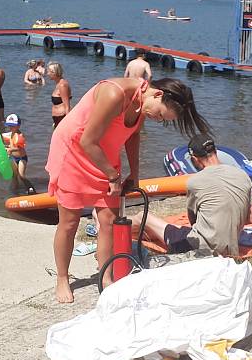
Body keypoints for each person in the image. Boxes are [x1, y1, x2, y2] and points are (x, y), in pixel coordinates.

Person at [45, 76, 210, 303]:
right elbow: (87, 140)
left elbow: (132, 136)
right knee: (69, 222)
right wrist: (113, 175)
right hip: (74, 149)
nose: (157, 119)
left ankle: (106, 277)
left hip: (103, 154)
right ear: (157, 94)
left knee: (109, 221)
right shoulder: (115, 94)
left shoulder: (142, 101)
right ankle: (62, 278)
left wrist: (135, 173)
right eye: (161, 114)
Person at [132, 134, 252, 256]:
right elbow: (251, 219)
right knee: (165, 229)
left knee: (142, 217)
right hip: (231, 249)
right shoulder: (243, 175)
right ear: (216, 151)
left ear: (195, 159)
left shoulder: (195, 182)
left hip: (199, 249)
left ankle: (117, 229)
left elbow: (193, 222)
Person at [3, 113, 33, 192]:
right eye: (9, 126)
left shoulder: (20, 136)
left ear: (18, 125)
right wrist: (7, 147)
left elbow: (19, 148)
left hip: (21, 158)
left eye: (13, 126)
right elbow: (10, 143)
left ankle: (31, 189)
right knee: (14, 176)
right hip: (14, 158)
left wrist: (10, 149)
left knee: (21, 175)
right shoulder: (12, 134)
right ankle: (15, 191)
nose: (11, 127)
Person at [47, 61, 72, 128]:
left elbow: (67, 106)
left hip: (62, 118)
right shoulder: (58, 84)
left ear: (54, 72)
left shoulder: (62, 85)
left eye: (49, 72)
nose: (47, 74)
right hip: (57, 119)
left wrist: (68, 123)